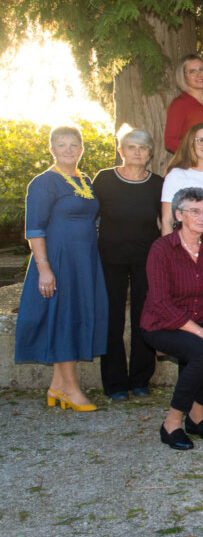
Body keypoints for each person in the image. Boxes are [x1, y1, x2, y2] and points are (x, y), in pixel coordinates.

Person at [15, 126, 107, 412]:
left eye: (74, 145)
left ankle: (56, 386)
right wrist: (44, 268)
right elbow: (34, 229)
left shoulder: (86, 180)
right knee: (64, 319)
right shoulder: (43, 183)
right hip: (58, 261)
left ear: (81, 149)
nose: (69, 149)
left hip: (85, 262)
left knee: (73, 316)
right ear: (51, 149)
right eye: (62, 145)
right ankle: (71, 389)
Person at [141, 188, 203, 450]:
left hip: (202, 316)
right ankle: (172, 422)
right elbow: (159, 302)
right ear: (179, 215)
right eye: (194, 211)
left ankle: (197, 415)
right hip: (163, 323)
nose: (202, 217)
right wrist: (201, 332)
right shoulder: (161, 249)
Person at [92, 128, 162, 400]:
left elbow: (165, 220)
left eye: (142, 148)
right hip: (110, 257)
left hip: (147, 258)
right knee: (112, 318)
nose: (136, 152)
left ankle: (141, 378)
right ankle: (115, 383)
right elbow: (90, 216)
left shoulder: (157, 183)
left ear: (149, 154)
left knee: (144, 317)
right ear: (120, 151)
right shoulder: (104, 180)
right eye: (130, 147)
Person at [160, 123, 203, 235]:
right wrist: (169, 250)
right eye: (200, 140)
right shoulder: (177, 175)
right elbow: (167, 220)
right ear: (191, 144)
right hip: (185, 238)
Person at [164, 54, 203, 153]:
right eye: (192, 71)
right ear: (183, 77)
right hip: (190, 165)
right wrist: (196, 155)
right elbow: (170, 141)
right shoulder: (180, 103)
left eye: (202, 69)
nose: (199, 74)